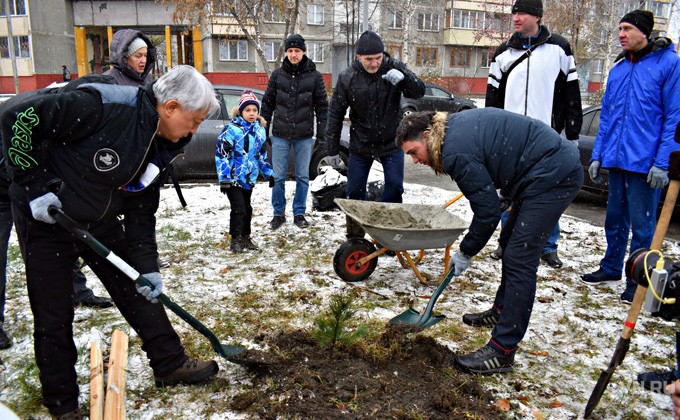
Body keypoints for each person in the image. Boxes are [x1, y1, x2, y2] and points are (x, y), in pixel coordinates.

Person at [0, 65, 221, 418]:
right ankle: (62, 402)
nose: (195, 130)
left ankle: (169, 363)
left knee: (136, 286)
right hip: (49, 217)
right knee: (54, 310)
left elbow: (141, 211)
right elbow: (18, 118)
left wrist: (147, 267)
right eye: (194, 121)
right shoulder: (102, 106)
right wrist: (34, 186)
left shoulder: (162, 142)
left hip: (98, 217)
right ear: (171, 107)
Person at [396, 109, 583, 374]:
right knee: (509, 242)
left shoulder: (454, 152)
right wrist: (507, 191)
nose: (415, 161)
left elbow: (487, 214)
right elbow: (500, 151)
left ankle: (502, 351)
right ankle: (502, 310)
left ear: (426, 135)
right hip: (538, 171)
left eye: (414, 152)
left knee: (520, 257)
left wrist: (466, 251)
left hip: (554, 176)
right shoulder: (449, 133)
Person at [580, 9, 680, 303]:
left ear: (644, 33)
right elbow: (608, 117)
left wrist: (663, 162)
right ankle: (611, 267)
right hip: (617, 158)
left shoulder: (668, 64)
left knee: (643, 227)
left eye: (627, 29)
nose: (621, 34)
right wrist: (598, 155)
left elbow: (674, 118)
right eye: (620, 29)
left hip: (645, 163)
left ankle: (638, 280)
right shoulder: (620, 68)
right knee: (614, 220)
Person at [485, 0, 583, 269]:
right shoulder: (503, 52)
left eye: (522, 13)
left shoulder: (559, 48)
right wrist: (491, 134)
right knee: (510, 191)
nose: (516, 18)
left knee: (546, 192)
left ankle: (548, 246)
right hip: (511, 138)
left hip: (547, 137)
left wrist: (572, 134)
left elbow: (572, 94)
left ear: (537, 16)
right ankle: (506, 242)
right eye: (514, 13)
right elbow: (492, 98)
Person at [325, 30, 425, 236]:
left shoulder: (395, 68)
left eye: (378, 58)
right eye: (369, 59)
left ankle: (388, 234)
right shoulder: (348, 77)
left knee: (395, 187)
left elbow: (419, 91)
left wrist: (404, 79)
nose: (374, 63)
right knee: (354, 191)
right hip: (361, 144)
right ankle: (355, 236)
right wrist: (332, 150)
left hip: (391, 142)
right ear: (359, 57)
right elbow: (335, 114)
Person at [260, 34, 328, 230]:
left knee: (303, 177)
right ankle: (278, 214)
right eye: (290, 51)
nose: (293, 54)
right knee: (278, 177)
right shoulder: (277, 75)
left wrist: (322, 135)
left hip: (304, 135)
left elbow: (322, 107)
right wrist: (263, 130)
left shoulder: (315, 76)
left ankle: (299, 213)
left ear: (303, 52)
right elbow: (267, 104)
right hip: (280, 134)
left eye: (297, 51)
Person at [216, 90, 275, 252]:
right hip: (233, 177)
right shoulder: (231, 129)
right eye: (248, 110)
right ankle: (235, 239)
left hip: (249, 178)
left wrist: (269, 173)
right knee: (239, 208)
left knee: (247, 209)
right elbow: (222, 154)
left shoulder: (259, 131)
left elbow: (261, 155)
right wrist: (224, 177)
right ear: (241, 111)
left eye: (255, 110)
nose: (251, 113)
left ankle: (245, 237)